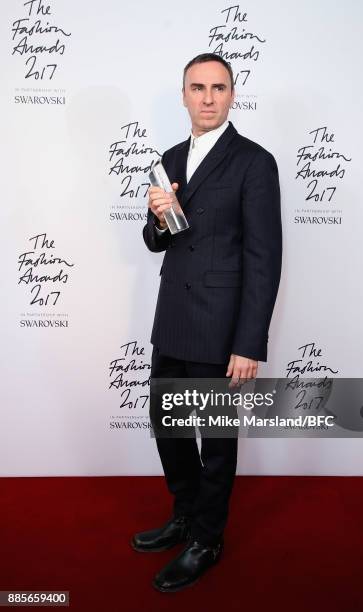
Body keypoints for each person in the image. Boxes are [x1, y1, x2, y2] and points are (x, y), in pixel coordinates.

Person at [131, 52, 282, 592]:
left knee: (215, 440)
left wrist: (249, 342)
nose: (208, 97)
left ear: (232, 94)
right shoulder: (169, 157)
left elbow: (265, 258)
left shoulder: (254, 161)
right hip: (172, 316)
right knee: (168, 426)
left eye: (218, 87)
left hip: (221, 328)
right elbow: (155, 242)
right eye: (198, 87)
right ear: (184, 95)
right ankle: (184, 515)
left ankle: (207, 539)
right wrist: (156, 214)